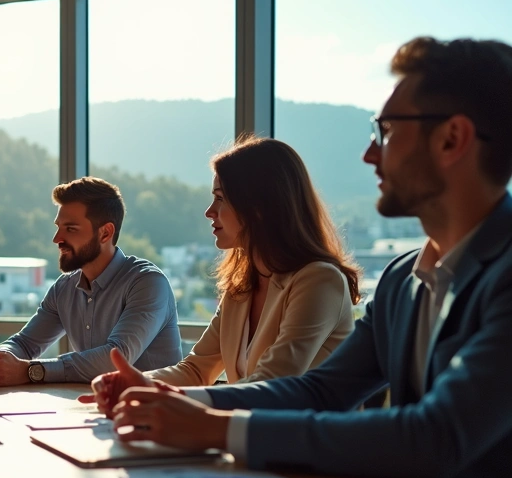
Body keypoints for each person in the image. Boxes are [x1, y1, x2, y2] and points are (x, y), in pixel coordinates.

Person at [88, 37, 512, 478]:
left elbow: (436, 436)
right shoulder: (400, 279)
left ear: (452, 139)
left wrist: (214, 425)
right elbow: (322, 388)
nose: (369, 155)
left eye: (387, 131)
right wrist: (178, 403)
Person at [142, 135, 360, 388]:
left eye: (221, 198)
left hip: (301, 428)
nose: (209, 211)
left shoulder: (319, 280)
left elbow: (273, 384)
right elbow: (196, 370)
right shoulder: (241, 286)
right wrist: (130, 381)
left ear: (259, 206)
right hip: (248, 425)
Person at [0, 176, 182, 385]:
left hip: (156, 419)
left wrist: (29, 371)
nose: (57, 239)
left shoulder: (148, 283)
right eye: (58, 228)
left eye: (70, 229)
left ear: (105, 233)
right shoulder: (64, 287)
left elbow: (115, 358)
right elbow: (24, 344)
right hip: (95, 411)